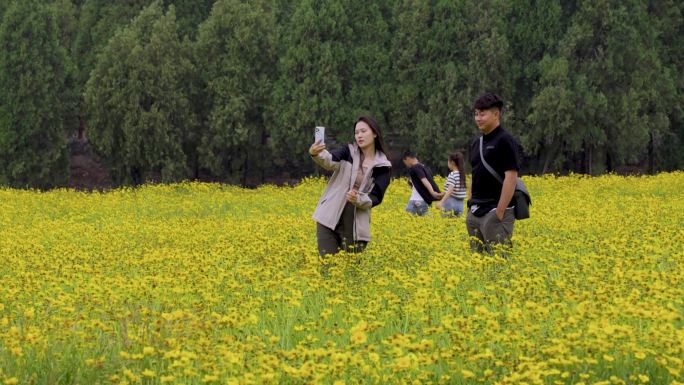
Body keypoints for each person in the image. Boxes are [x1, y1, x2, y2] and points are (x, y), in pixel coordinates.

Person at [309, 116, 392, 257]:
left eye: (363, 131)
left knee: (352, 271)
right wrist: (316, 153)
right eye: (356, 132)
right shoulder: (348, 151)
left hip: (355, 225)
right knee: (328, 266)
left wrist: (357, 199)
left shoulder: (383, 166)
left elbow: (376, 197)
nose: (359, 135)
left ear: (375, 133)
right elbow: (329, 161)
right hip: (328, 217)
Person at [466, 93, 522, 255]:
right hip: (475, 212)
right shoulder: (477, 142)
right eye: (476, 114)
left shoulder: (505, 140)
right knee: (478, 264)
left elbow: (511, 177)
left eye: (482, 114)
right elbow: (474, 174)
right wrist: (469, 206)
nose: (478, 118)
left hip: (495, 212)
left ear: (496, 114)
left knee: (499, 265)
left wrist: (500, 212)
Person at [401, 150, 443, 215]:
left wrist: (432, 192)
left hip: (417, 200)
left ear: (407, 158)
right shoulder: (422, 166)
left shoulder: (416, 167)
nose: (406, 165)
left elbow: (424, 180)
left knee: (407, 219)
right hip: (423, 200)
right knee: (422, 221)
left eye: (405, 162)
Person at [436, 152, 467, 216]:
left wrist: (441, 202)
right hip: (460, 205)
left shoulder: (452, 174)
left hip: (451, 204)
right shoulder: (462, 175)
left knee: (446, 223)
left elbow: (450, 190)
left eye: (448, 161)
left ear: (452, 162)